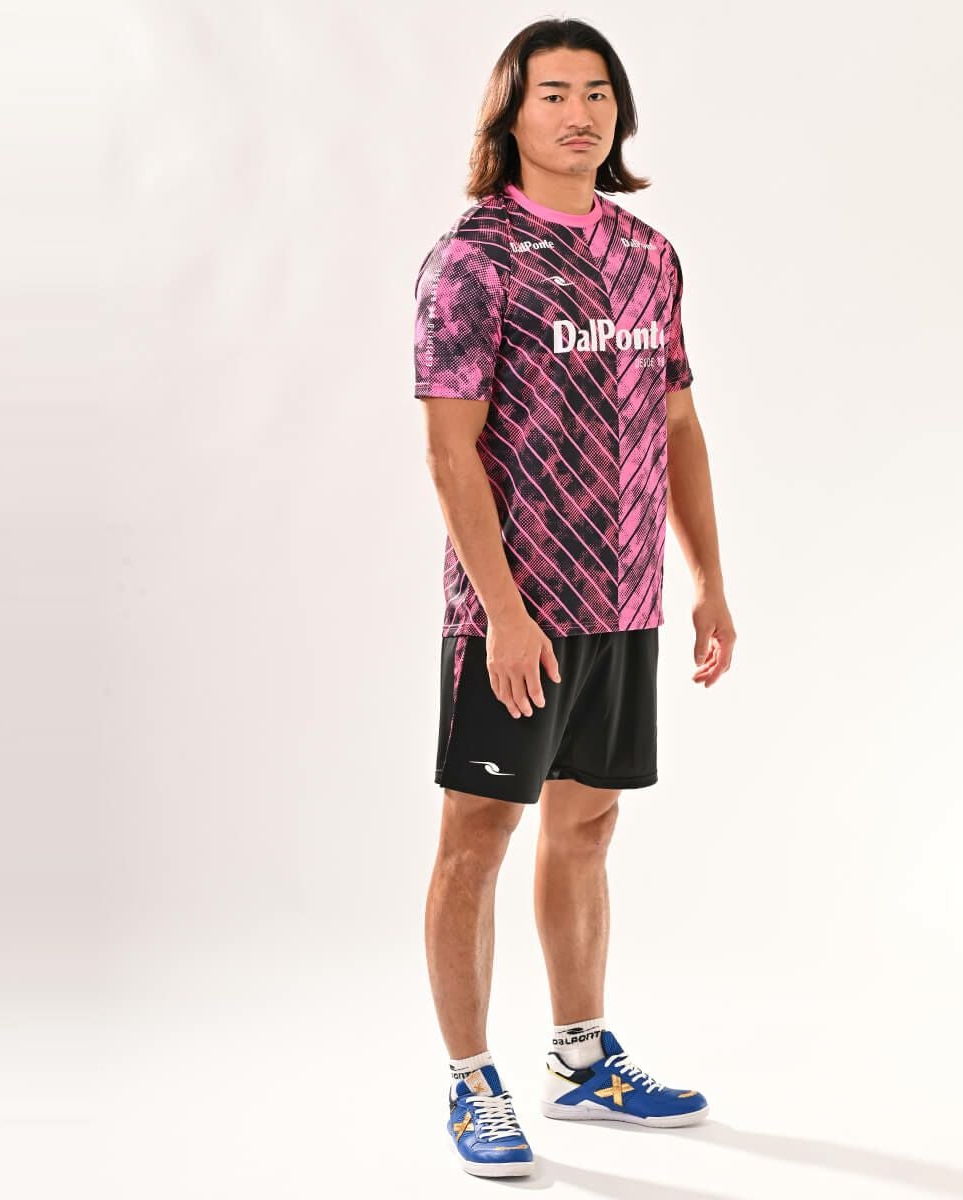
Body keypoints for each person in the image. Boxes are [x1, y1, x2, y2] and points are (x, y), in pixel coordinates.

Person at [413, 17, 736, 1179]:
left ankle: (581, 1059)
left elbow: (678, 421)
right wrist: (502, 611)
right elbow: (450, 452)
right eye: (552, 92)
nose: (579, 113)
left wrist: (708, 581)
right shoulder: (474, 261)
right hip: (519, 609)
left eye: (597, 92)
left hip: (626, 599)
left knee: (589, 826)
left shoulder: (650, 256)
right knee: (477, 838)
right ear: (510, 113)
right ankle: (470, 1079)